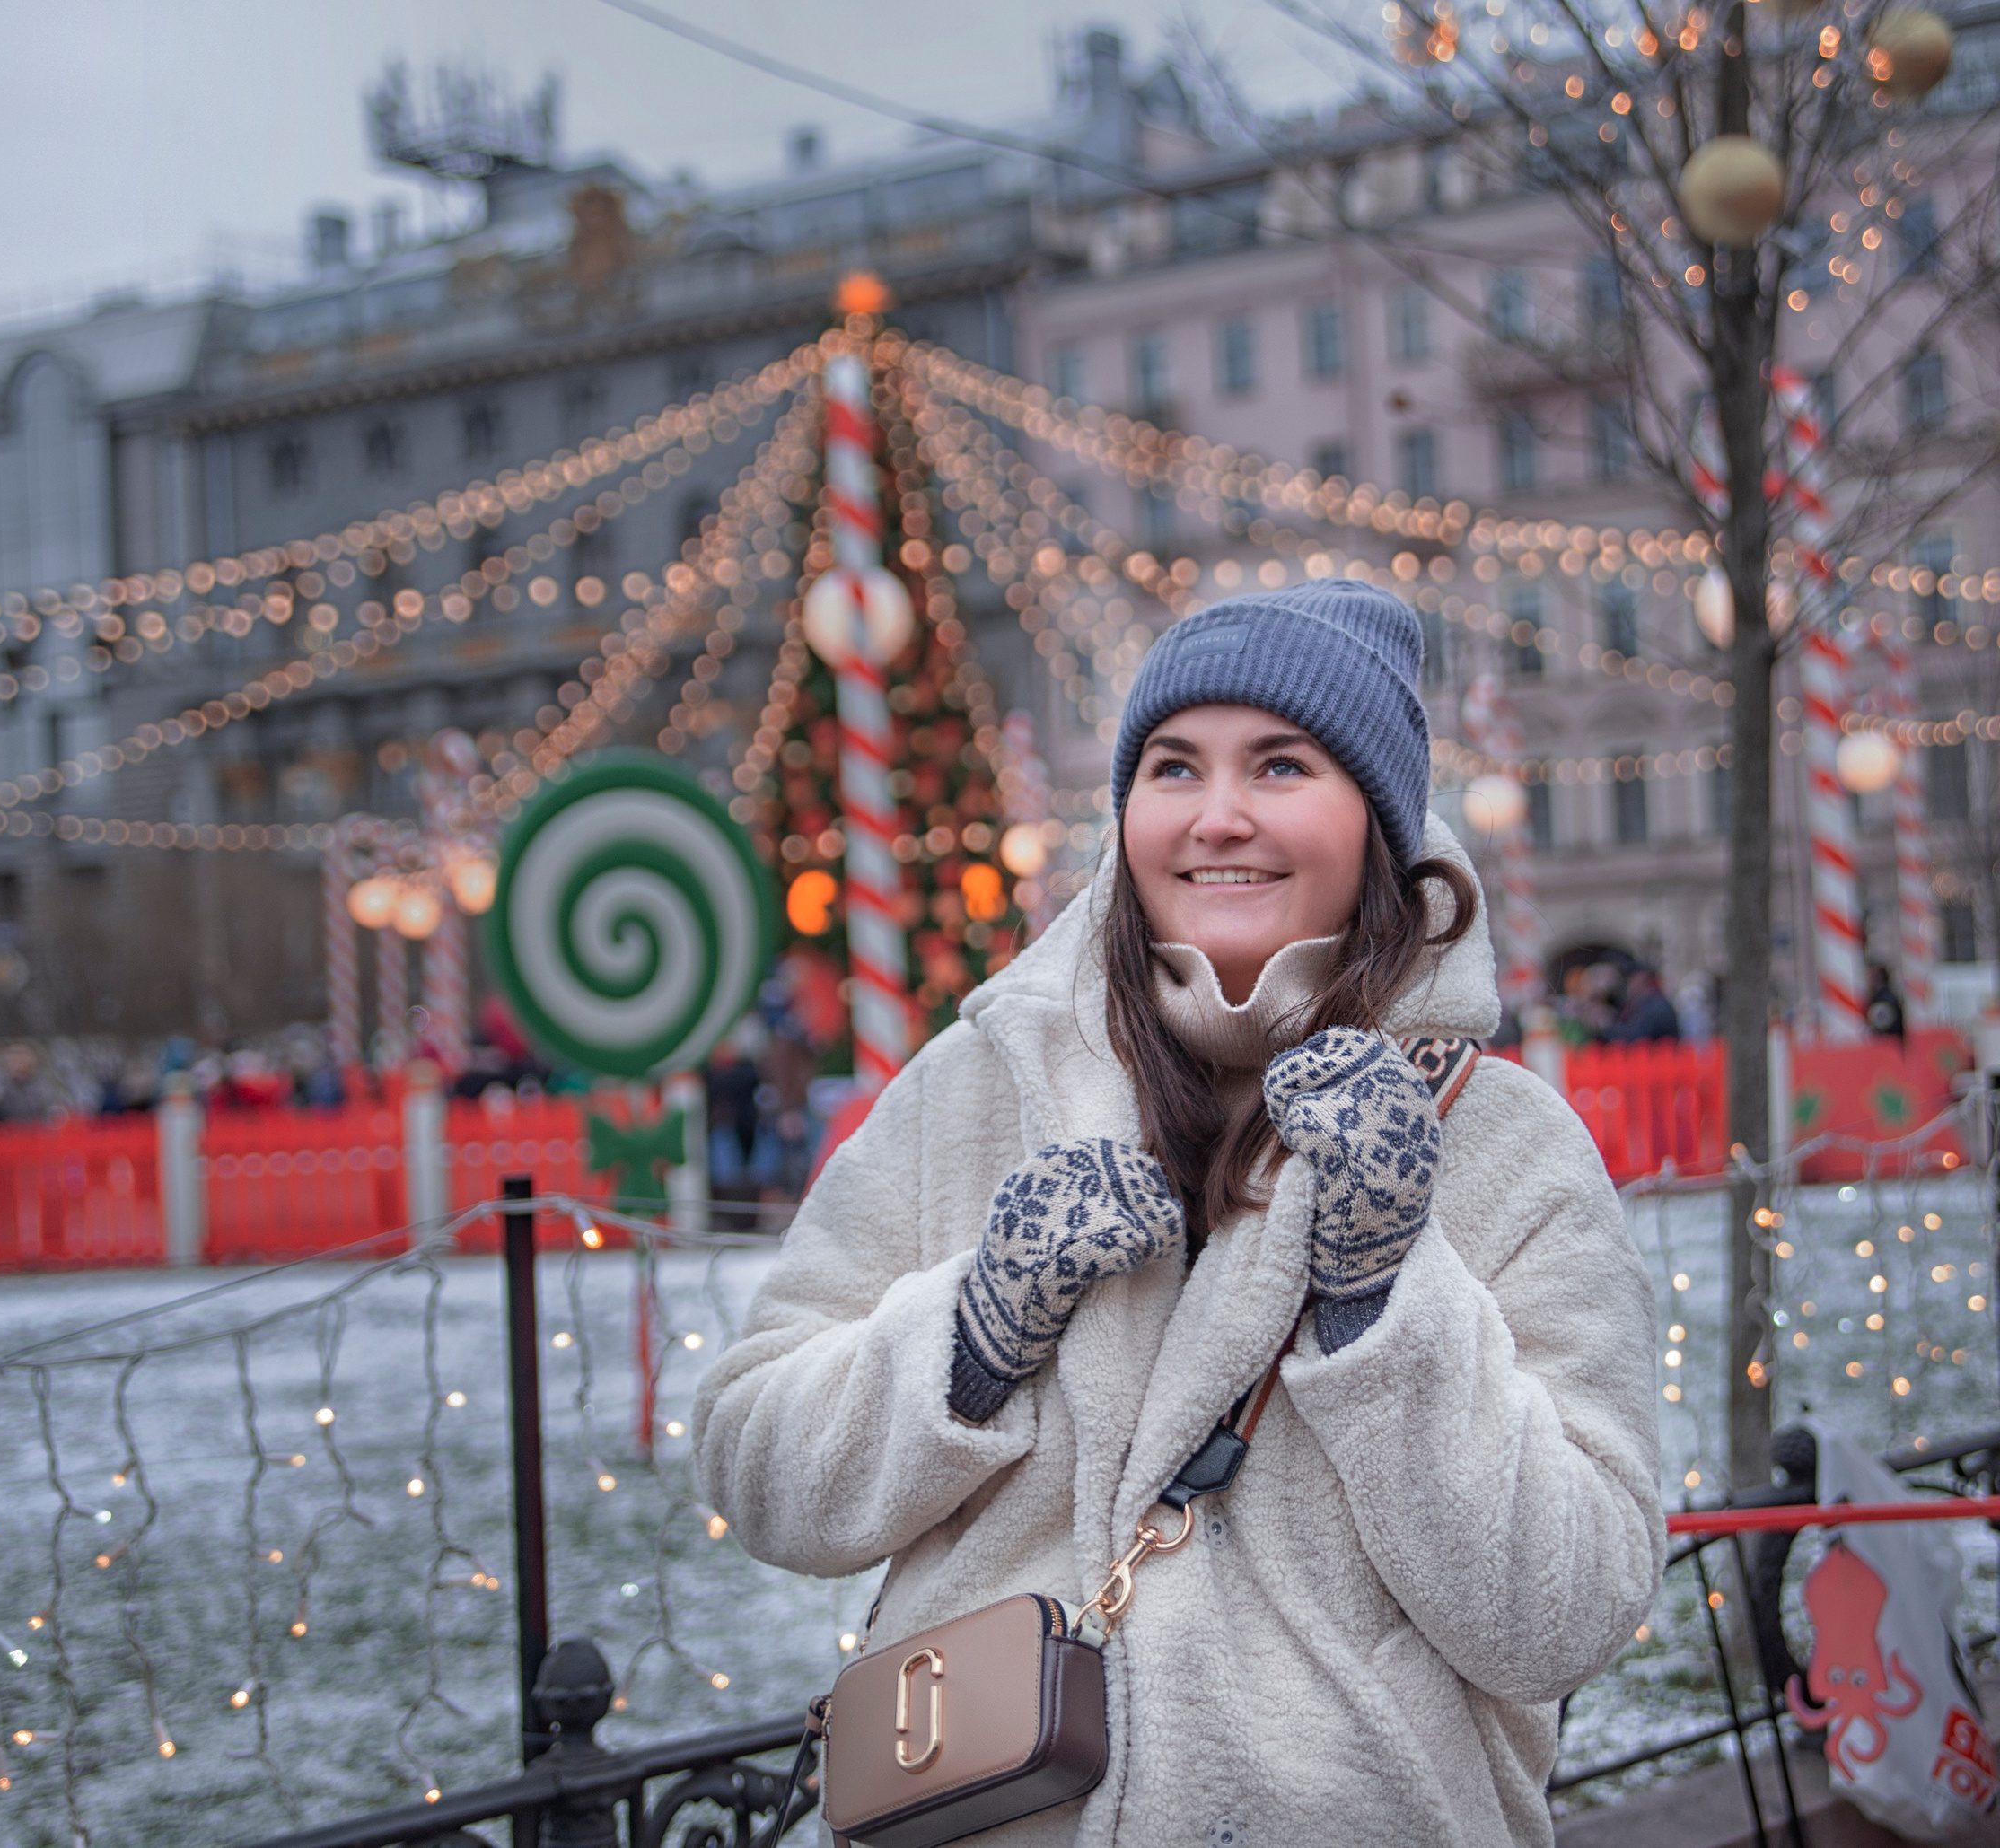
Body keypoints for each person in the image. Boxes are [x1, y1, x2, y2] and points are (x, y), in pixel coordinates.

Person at [695, 582, 1662, 1847]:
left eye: (1280, 763)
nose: (1218, 816)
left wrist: (1386, 1295)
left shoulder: (1501, 1137)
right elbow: (756, 1463)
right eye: (1172, 766)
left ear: (1377, 818)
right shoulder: (979, 1084)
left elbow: (1570, 1604)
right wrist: (973, 1330)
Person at [1609, 967, 1681, 1044]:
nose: (1630, 985)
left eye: (1633, 980)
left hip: (1657, 1053)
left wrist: (1607, 1027)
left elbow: (1640, 1037)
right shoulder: (1644, 1003)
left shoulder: (1657, 1006)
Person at [1864, 961, 1907, 1042]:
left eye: (1873, 976)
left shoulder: (1884, 998)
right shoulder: (1882, 995)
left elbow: (1883, 1024)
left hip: (1890, 1043)